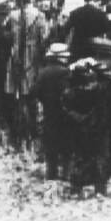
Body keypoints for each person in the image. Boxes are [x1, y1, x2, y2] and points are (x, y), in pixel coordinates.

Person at [61, 58, 111, 196]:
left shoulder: (70, 94)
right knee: (100, 158)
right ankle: (100, 190)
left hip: (80, 130)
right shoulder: (100, 90)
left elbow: (66, 110)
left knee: (80, 158)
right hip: (98, 129)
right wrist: (94, 63)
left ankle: (76, 189)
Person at [4, 0, 48, 147]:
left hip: (16, 54)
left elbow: (7, 35)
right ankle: (31, 127)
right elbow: (44, 38)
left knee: (17, 91)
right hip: (33, 55)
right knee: (31, 92)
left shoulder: (12, 15)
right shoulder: (39, 15)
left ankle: (18, 128)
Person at [31, 43, 72, 180]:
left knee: (51, 145)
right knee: (66, 145)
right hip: (65, 112)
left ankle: (51, 174)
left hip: (49, 111)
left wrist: (44, 101)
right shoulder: (67, 72)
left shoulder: (43, 72)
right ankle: (66, 174)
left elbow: (34, 92)